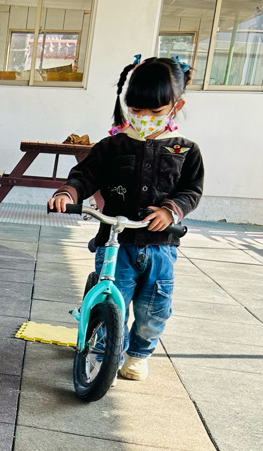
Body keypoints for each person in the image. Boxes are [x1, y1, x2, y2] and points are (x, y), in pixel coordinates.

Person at [49, 56, 204, 382]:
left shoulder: (185, 150)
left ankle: (139, 354)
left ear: (176, 106)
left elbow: (192, 189)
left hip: (160, 246)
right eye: (136, 110)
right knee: (111, 304)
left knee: (153, 309)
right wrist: (69, 192)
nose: (144, 118)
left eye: (156, 111)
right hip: (116, 244)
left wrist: (170, 210)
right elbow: (86, 174)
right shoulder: (112, 146)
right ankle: (104, 355)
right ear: (127, 106)